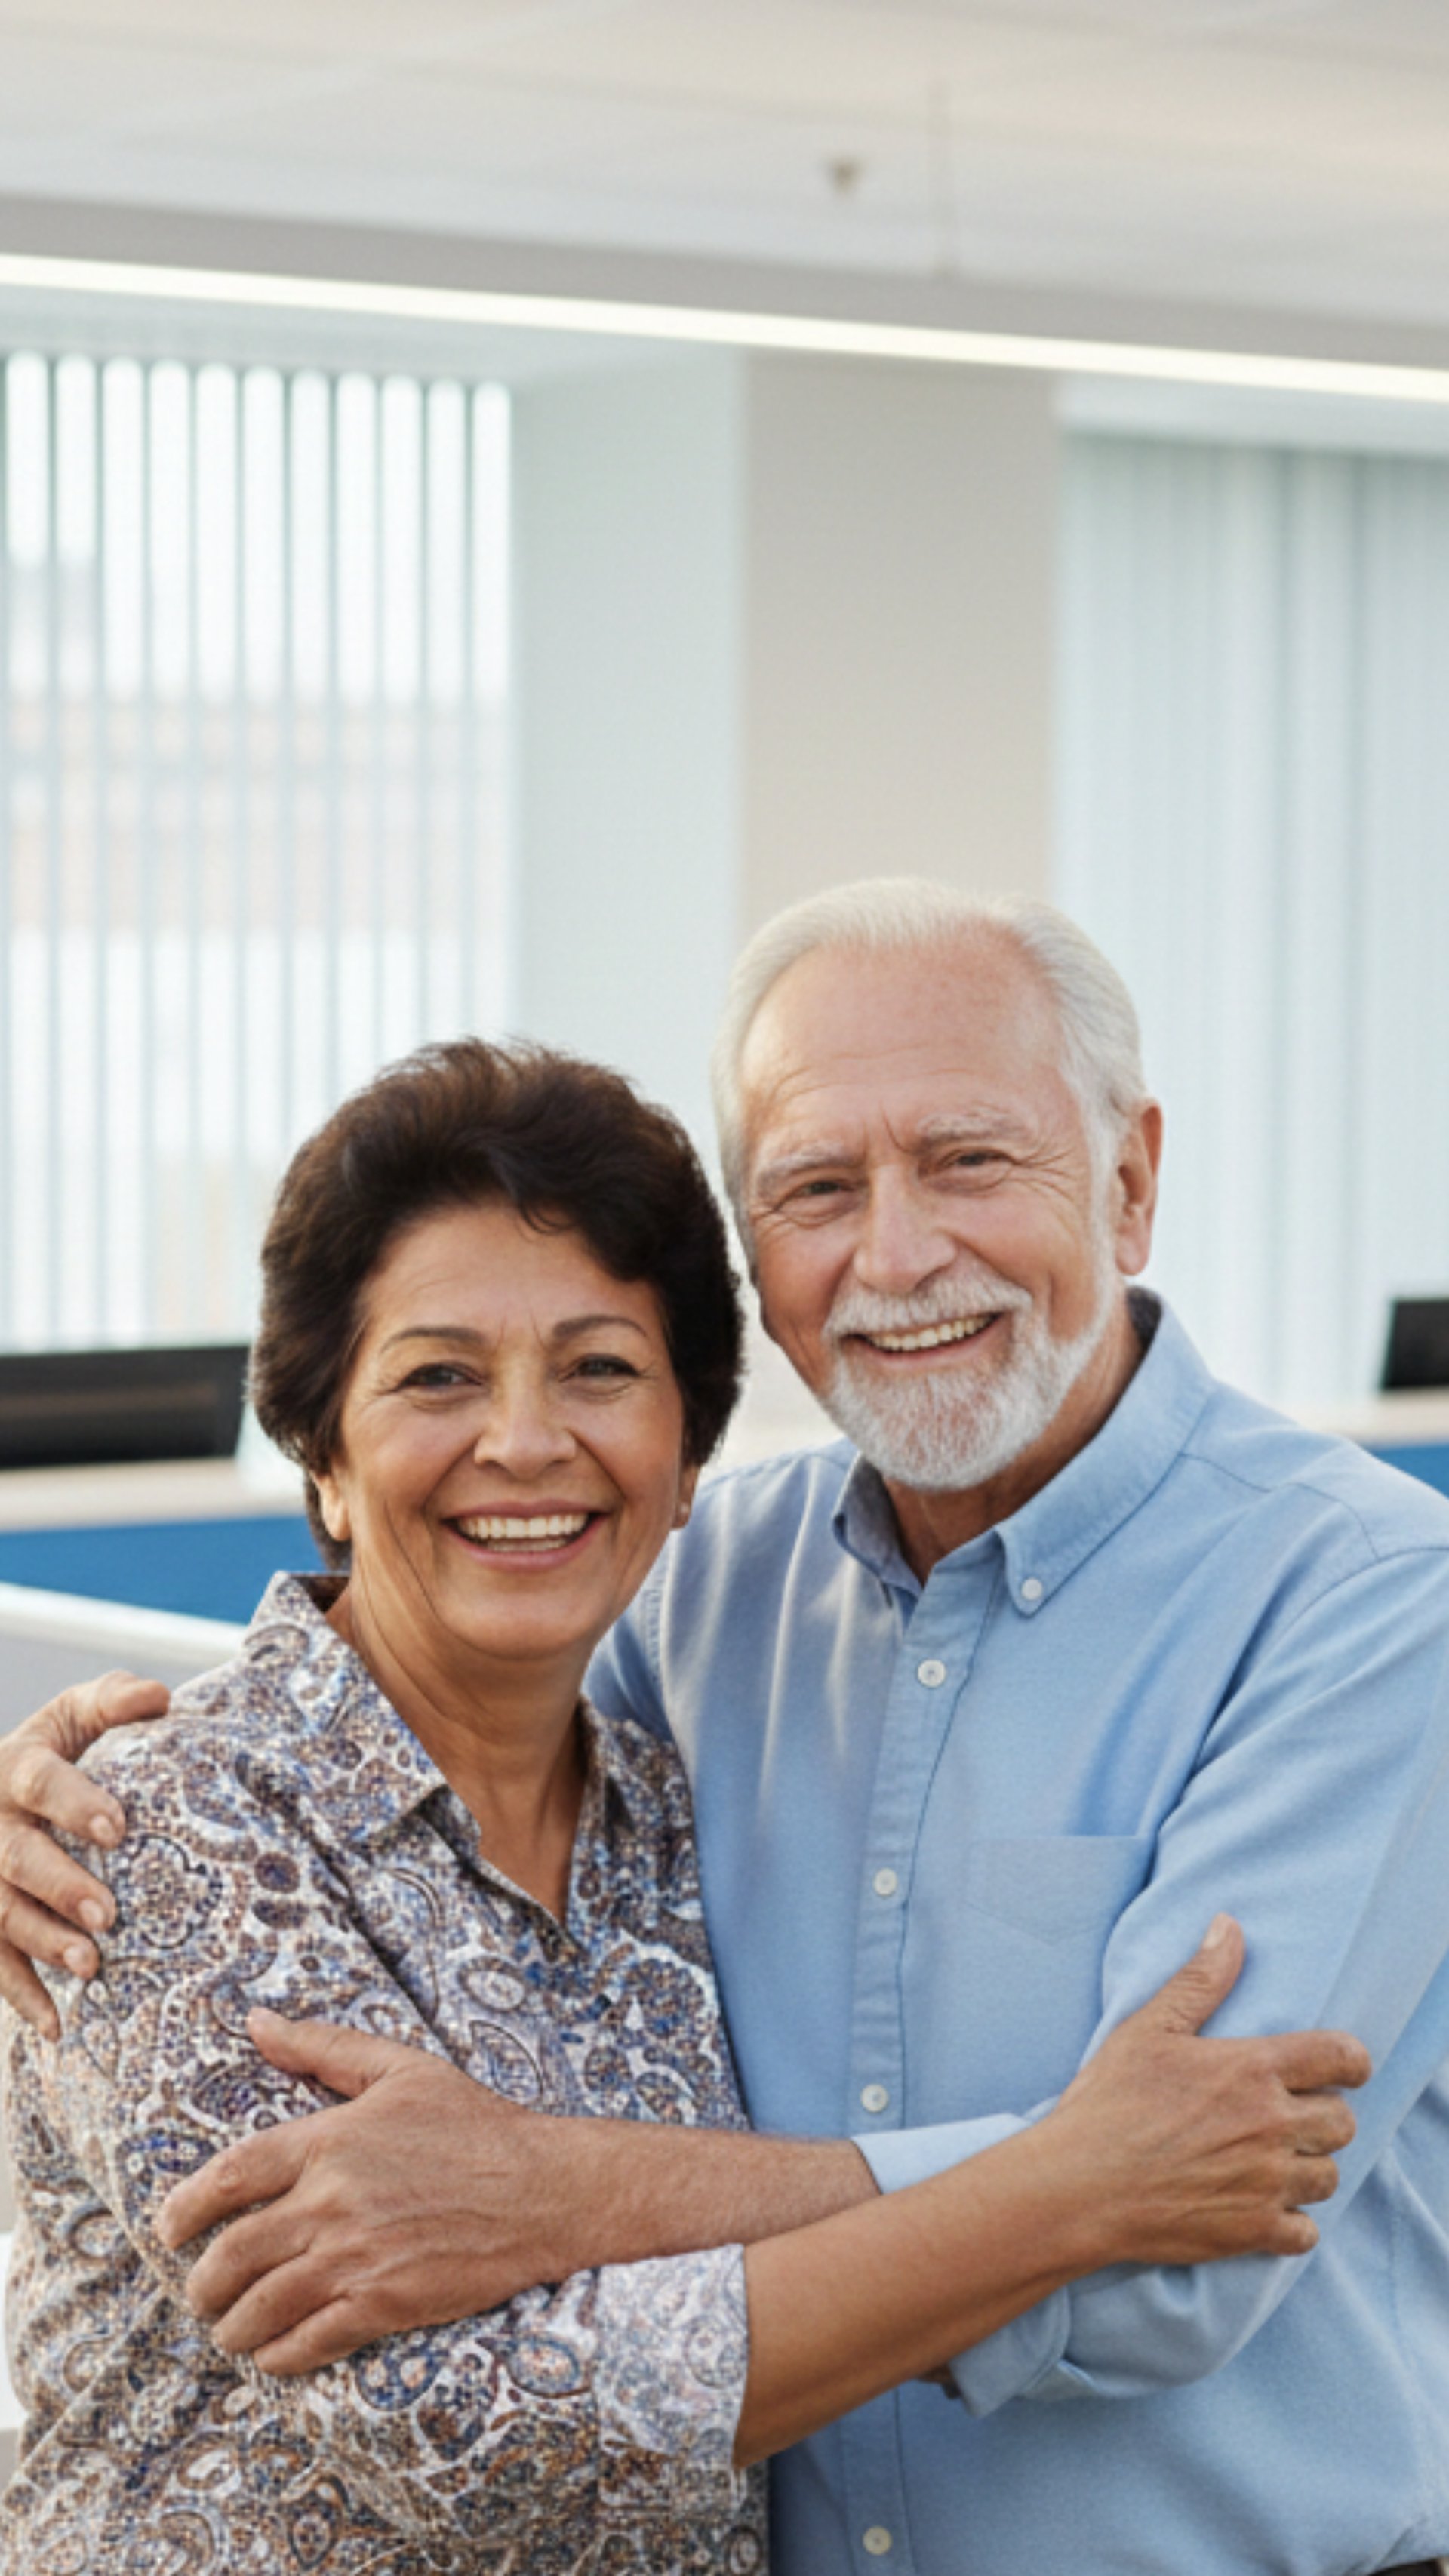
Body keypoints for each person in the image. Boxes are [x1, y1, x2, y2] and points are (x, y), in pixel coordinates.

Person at [2, 882, 1443, 2574]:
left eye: (970, 1159)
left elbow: (1177, 2251)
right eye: (818, 1189)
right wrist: (69, 1769)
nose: (895, 1255)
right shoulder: (693, 1611)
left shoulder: (1366, 1601)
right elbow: (393, 1709)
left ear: (1130, 1182)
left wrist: (558, 2188)